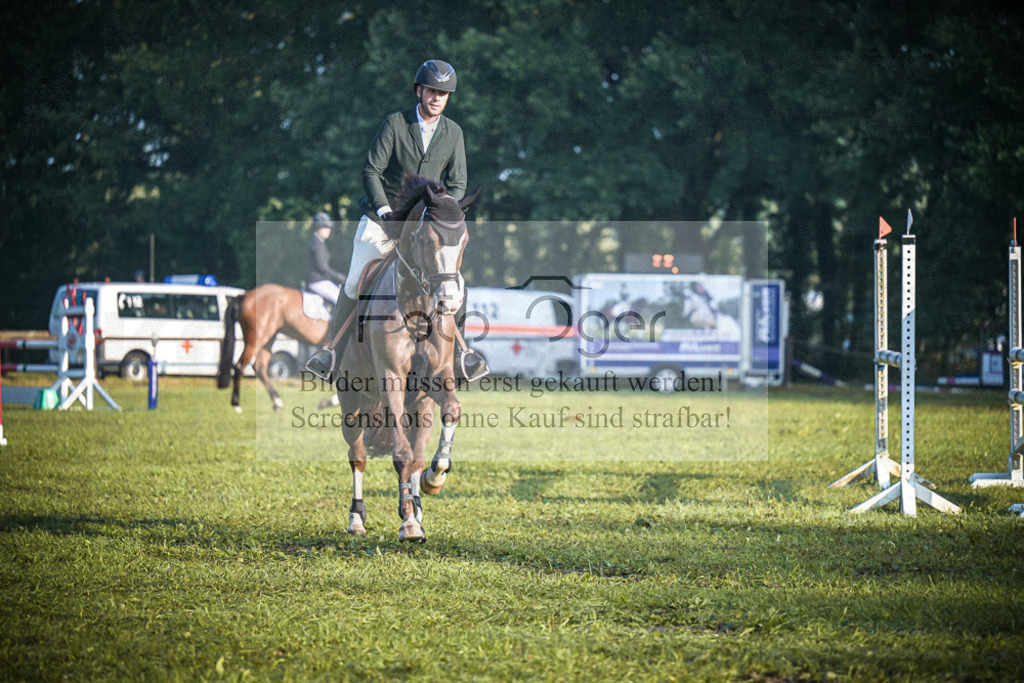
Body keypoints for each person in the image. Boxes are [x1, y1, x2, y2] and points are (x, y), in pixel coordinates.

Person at [307, 59, 486, 380]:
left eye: (443, 94)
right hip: (382, 219)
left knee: (455, 286)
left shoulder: (454, 132)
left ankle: (462, 355)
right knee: (353, 281)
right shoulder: (395, 124)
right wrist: (384, 209)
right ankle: (331, 353)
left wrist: (446, 211)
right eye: (432, 91)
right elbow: (371, 171)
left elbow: (458, 182)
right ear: (419, 91)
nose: (436, 98)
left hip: (424, 224)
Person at [305, 212, 347, 310]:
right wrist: (339, 276)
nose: (329, 230)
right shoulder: (317, 243)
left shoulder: (319, 241)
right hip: (317, 280)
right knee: (339, 299)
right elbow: (322, 267)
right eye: (326, 227)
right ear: (318, 227)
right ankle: (335, 325)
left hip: (321, 280)